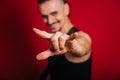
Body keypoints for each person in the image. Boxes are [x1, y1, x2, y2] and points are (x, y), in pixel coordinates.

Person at [33, 0, 92, 80]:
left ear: (66, 9)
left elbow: (83, 45)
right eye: (44, 16)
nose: (49, 21)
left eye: (54, 13)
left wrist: (76, 46)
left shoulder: (81, 37)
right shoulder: (55, 40)